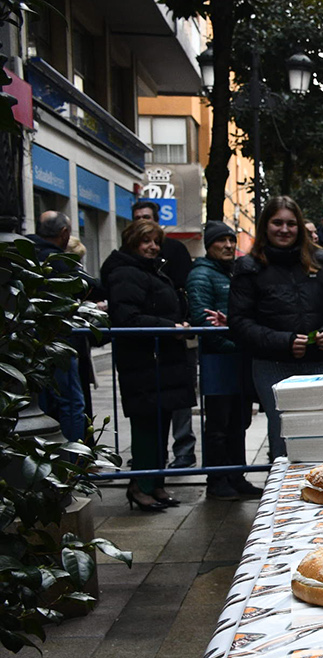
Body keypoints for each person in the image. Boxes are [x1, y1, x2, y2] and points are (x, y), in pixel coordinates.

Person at [229, 197, 323, 459]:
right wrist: (282, 341)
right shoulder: (249, 268)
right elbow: (239, 322)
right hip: (273, 366)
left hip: (321, 363)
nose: (284, 230)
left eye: (291, 224)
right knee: (284, 435)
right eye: (277, 223)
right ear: (265, 226)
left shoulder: (321, 262)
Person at [101, 219, 195, 511]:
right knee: (145, 427)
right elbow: (127, 317)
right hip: (144, 362)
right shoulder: (125, 273)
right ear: (132, 242)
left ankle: (155, 483)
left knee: (160, 425)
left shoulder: (150, 271)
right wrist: (170, 327)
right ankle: (140, 486)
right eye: (146, 241)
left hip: (161, 361)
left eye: (156, 241)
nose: (153, 247)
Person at [186, 221, 260, 500]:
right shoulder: (201, 275)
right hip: (218, 361)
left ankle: (235, 476)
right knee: (219, 424)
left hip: (236, 360)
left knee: (238, 422)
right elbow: (202, 320)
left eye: (232, 240)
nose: (229, 245)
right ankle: (217, 480)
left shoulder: (231, 272)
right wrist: (241, 343)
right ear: (209, 245)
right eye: (222, 241)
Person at [133, 197, 195, 466]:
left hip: (175, 337)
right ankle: (151, 460)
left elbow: (184, 290)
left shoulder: (175, 250)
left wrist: (180, 324)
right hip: (147, 344)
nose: (143, 224)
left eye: (147, 217)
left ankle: (183, 450)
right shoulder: (129, 259)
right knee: (149, 408)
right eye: (138, 218)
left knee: (180, 398)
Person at [28, 211, 93, 441]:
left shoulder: (27, 253)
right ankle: (72, 462)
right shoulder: (58, 261)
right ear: (64, 233)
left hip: (34, 342)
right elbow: (93, 286)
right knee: (71, 401)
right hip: (58, 340)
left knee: (46, 400)